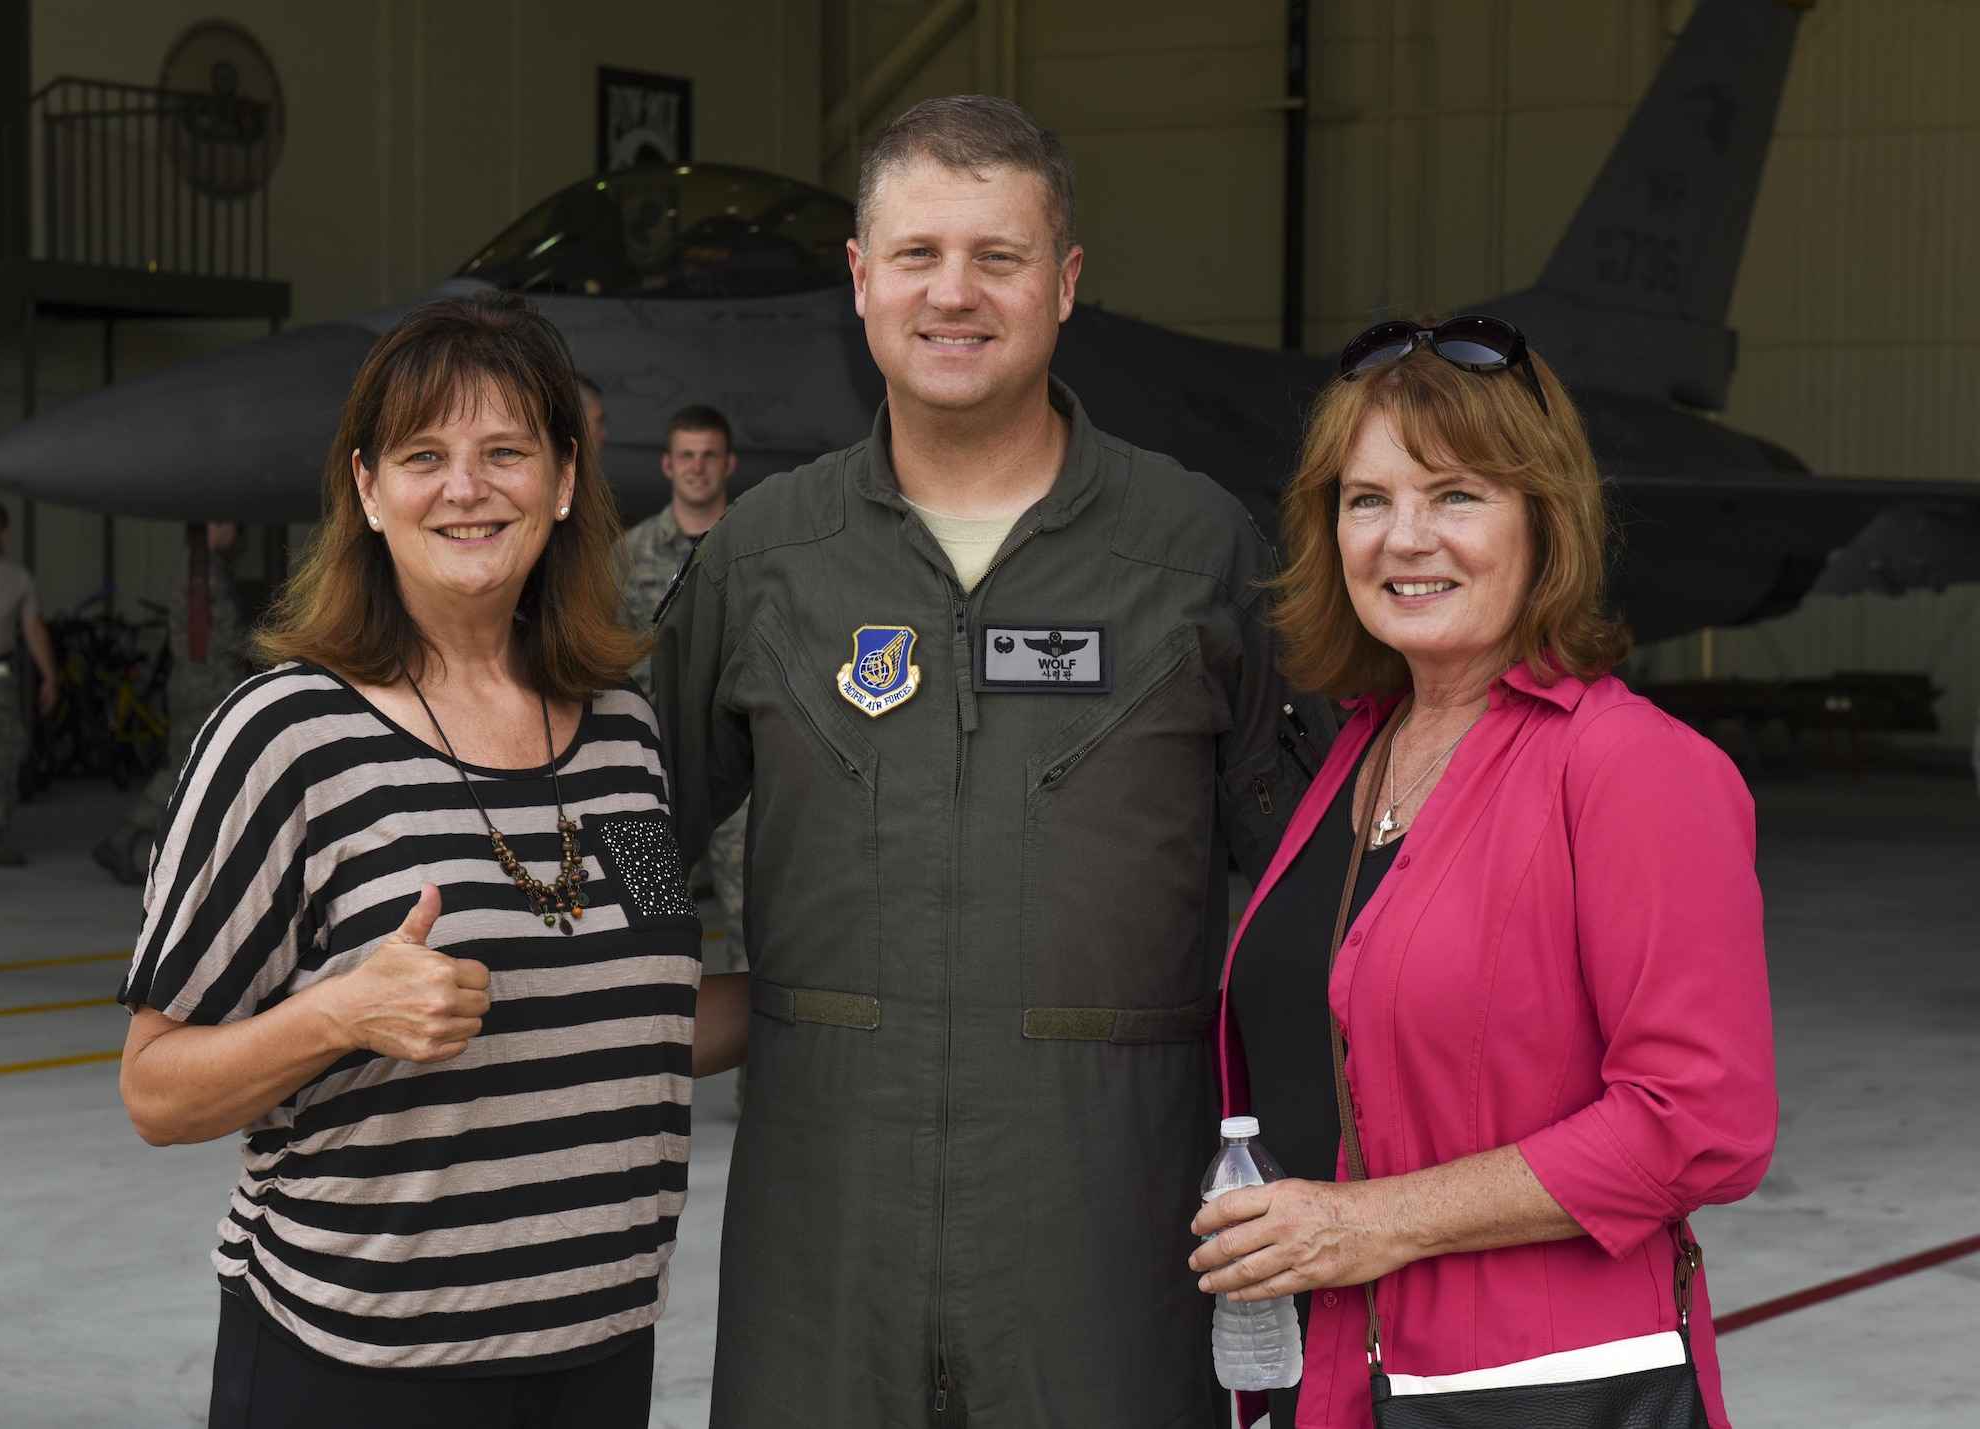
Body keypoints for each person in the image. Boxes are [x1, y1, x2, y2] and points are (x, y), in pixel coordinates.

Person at [652, 95, 1309, 1425]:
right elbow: (624, 823)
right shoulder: (768, 555)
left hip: (1106, 1250)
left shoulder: (1196, 553)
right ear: (860, 278)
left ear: (1065, 284)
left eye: (999, 257)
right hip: (823, 1252)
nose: (955, 293)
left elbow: (1324, 900)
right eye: (917, 254)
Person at [117, 291, 748, 1428]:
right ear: (366, 490)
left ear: (563, 481)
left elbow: (652, 1007)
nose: (467, 487)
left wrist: (858, 985)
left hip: (598, 1346)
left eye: (505, 451)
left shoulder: (621, 732)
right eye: (424, 455)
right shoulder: (283, 736)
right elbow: (155, 1089)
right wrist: (338, 1015)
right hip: (358, 1368)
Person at [1191, 317, 1777, 1429]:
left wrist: (1373, 1223)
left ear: (1540, 522)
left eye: (1454, 494)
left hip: (1526, 1389)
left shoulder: (1629, 766)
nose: (1403, 538)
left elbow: (1701, 1119)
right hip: (1323, 1377)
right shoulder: (1355, 749)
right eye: (1365, 500)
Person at [619, 405, 747, 976]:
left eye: (709, 456)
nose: (698, 468)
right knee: (639, 933)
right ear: (669, 465)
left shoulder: (758, 553)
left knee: (755, 940)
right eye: (687, 456)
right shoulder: (623, 557)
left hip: (743, 782)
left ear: (729, 464)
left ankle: (758, 1069)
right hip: (646, 779)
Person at [93, 521, 251, 884]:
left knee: (198, 768)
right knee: (188, 769)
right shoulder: (206, 570)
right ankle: (123, 841)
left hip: (196, 682)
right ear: (223, 525)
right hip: (207, 686)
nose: (235, 539)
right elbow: (227, 636)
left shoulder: (196, 564)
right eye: (236, 530)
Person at [0, 500, 59, 865]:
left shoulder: (16, 577)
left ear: (3, 534)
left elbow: (32, 628)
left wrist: (49, 676)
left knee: (3, 752)